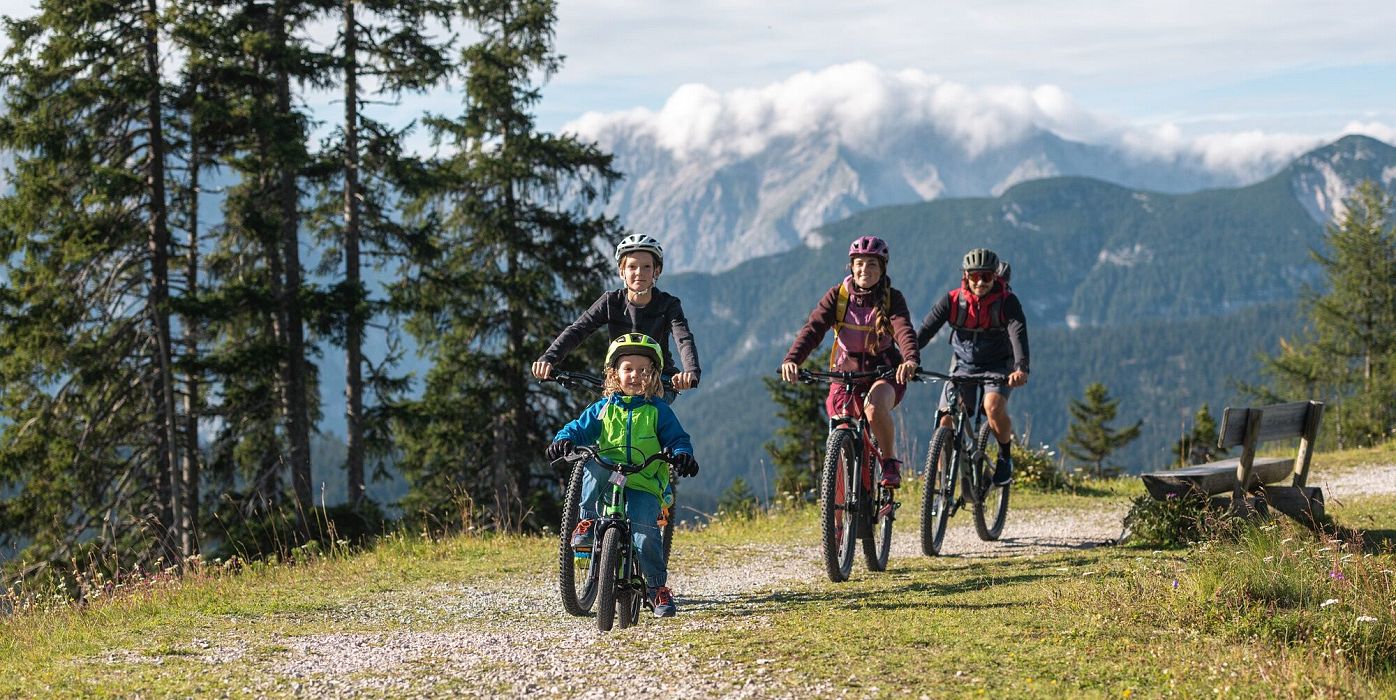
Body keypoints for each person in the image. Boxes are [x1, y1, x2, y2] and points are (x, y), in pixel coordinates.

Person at [546, 333, 699, 618]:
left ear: (653, 375)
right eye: (628, 369)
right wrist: (563, 440)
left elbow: (678, 439)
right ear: (615, 373)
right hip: (608, 475)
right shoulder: (604, 408)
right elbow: (578, 428)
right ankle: (588, 521)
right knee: (591, 461)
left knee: (645, 534)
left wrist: (682, 455)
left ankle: (657, 589)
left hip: (643, 482)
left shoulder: (658, 411)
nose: (635, 375)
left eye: (643, 370)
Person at [779, 236, 920, 488]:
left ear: (882, 268)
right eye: (860, 264)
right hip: (845, 374)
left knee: (874, 409)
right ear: (851, 267)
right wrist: (792, 360)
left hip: (885, 373)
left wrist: (910, 359)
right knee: (840, 426)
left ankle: (888, 463)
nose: (865, 270)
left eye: (872, 265)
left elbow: (903, 330)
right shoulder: (837, 296)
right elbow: (813, 330)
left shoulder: (892, 299)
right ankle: (838, 518)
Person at [533, 234, 700, 400]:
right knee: (596, 420)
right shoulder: (610, 302)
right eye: (632, 267)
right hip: (620, 379)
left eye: (646, 267)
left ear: (657, 271)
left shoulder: (668, 304)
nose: (639, 272)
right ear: (622, 272)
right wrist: (549, 358)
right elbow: (578, 330)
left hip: (659, 380)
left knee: (652, 411)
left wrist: (690, 372)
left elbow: (683, 338)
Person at [916, 248, 1030, 486]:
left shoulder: (1007, 302)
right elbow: (925, 330)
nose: (980, 282)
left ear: (995, 277)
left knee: (992, 406)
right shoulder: (953, 300)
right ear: (965, 275)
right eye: (974, 276)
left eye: (986, 277)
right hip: (963, 365)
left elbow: (1017, 333)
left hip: (999, 364)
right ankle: (939, 481)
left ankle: (1004, 457)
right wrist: (909, 358)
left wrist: (1021, 367)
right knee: (947, 417)